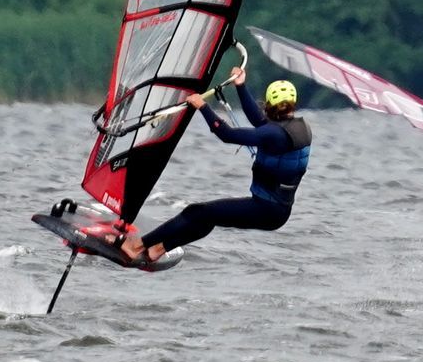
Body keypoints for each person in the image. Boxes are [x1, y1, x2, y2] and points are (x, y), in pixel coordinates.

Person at [120, 58, 309, 265]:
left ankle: (136, 246)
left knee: (197, 212)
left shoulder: (273, 134)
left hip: (266, 209)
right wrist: (240, 86)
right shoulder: (299, 128)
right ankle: (158, 248)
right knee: (207, 217)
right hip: (278, 211)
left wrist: (203, 107)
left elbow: (226, 134)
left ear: (271, 105)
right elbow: (259, 122)